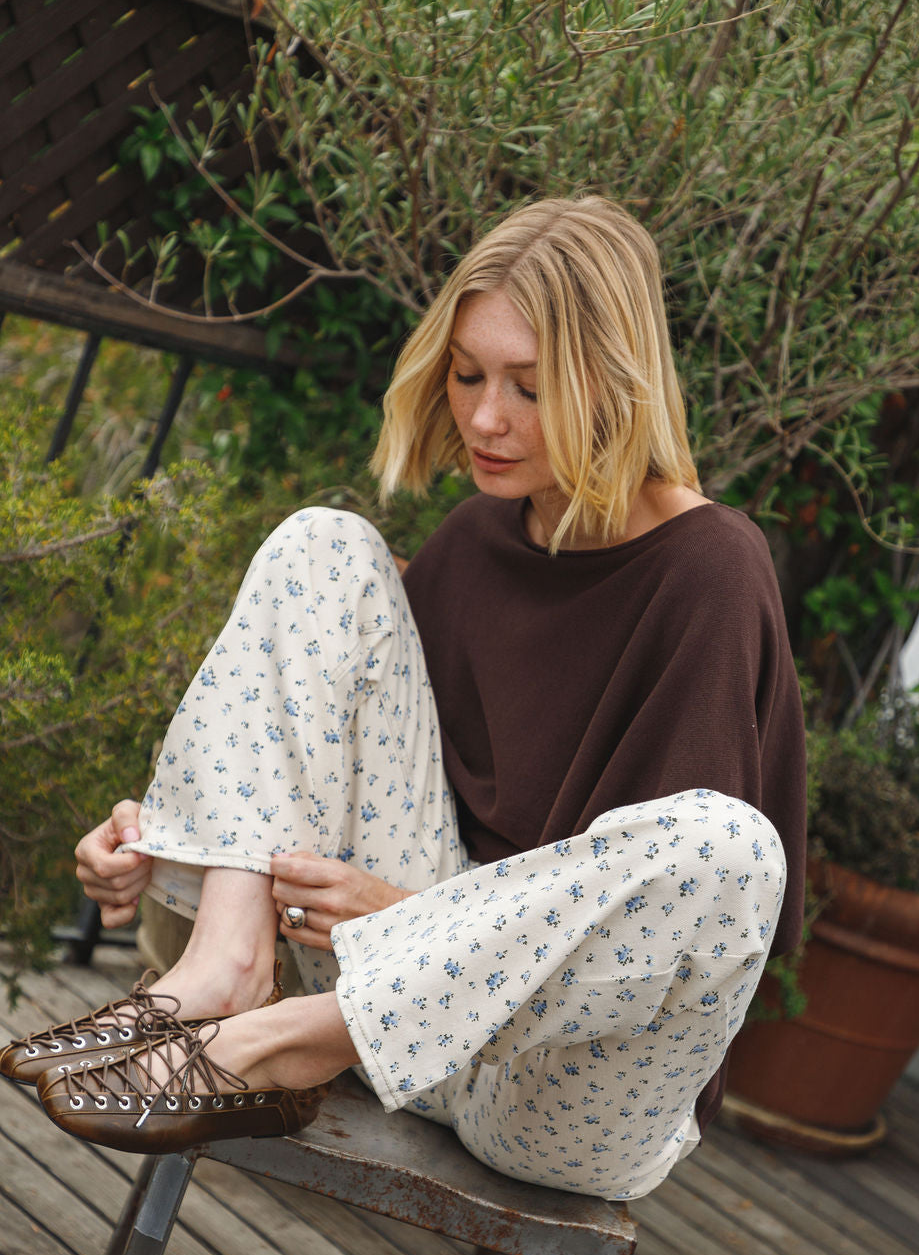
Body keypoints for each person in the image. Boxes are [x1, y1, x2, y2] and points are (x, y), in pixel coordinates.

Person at [2, 196, 805, 1200]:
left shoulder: (711, 569)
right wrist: (164, 839)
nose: (481, 417)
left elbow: (674, 935)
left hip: (559, 1097)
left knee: (728, 845)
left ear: (614, 381)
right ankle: (224, 977)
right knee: (321, 543)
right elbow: (330, 761)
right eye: (467, 375)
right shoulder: (477, 540)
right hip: (396, 1023)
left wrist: (413, 919)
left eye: (528, 386)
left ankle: (287, 1040)